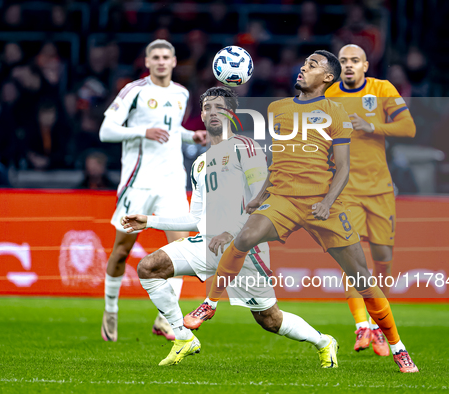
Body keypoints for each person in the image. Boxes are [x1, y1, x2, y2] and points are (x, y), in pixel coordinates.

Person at [185, 50, 419, 373]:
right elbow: (276, 163)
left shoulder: (335, 113)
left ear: (327, 78)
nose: (303, 68)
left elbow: (343, 168)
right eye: (304, 63)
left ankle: (398, 347)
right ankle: (210, 304)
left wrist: (326, 202)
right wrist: (260, 196)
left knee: (362, 278)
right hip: (283, 198)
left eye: (312, 65)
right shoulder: (278, 109)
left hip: (324, 201)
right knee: (243, 238)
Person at [122, 87, 338, 367]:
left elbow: (263, 201)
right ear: (201, 115)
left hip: (247, 248)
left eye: (220, 107)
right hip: (209, 243)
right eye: (208, 107)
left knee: (270, 320)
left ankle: (324, 342)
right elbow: (195, 219)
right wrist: (150, 221)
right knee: (149, 267)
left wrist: (231, 230)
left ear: (231, 113)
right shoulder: (199, 164)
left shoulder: (245, 148)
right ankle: (183, 337)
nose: (213, 112)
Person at [98, 39, 207, 342]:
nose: (161, 62)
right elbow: (105, 131)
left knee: (183, 249)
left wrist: (191, 137)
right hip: (138, 182)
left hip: (172, 180)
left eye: (166, 57)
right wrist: (141, 131)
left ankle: (165, 318)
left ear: (174, 62)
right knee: (121, 251)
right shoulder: (135, 91)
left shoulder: (181, 94)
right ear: (147, 62)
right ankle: (110, 308)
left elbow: (171, 131)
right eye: (155, 57)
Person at [325, 44, 416, 356]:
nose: (349, 66)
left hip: (379, 189)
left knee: (381, 258)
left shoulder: (382, 88)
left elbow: (408, 127)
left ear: (365, 65)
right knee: (354, 259)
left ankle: (378, 324)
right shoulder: (330, 95)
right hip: (346, 189)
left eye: (355, 61)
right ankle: (362, 326)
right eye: (344, 61)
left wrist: (371, 126)